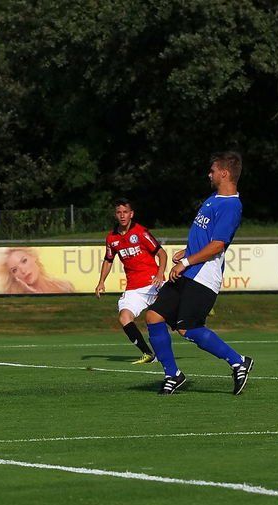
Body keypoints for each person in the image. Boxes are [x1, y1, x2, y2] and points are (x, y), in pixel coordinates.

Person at [144, 151, 253, 395]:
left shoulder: (231, 205)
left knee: (188, 328)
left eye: (212, 171)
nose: (209, 174)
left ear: (224, 173)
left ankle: (238, 362)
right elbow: (207, 238)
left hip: (203, 275)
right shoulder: (214, 198)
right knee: (153, 316)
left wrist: (186, 262)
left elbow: (218, 245)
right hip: (190, 268)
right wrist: (188, 251)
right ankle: (173, 374)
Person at [95, 198, 167, 364]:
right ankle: (148, 354)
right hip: (134, 287)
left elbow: (161, 253)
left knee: (173, 321)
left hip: (153, 283)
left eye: (125, 212)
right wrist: (101, 282)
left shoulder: (141, 232)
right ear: (115, 215)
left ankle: (195, 314)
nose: (122, 216)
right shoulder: (111, 238)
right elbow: (108, 260)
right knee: (124, 317)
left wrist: (159, 274)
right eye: (119, 212)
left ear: (131, 214)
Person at [0, 247, 74, 294]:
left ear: (33, 256)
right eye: (15, 270)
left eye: (24, 261)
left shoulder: (64, 286)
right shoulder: (19, 300)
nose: (23, 271)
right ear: (13, 276)